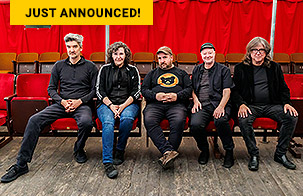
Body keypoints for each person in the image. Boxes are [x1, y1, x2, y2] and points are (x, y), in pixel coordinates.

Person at [1, 33, 98, 183]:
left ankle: (79, 149)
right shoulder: (59, 65)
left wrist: (79, 101)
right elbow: (51, 89)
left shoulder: (90, 66)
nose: (71, 50)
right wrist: (62, 102)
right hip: (61, 104)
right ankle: (21, 164)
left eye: (75, 47)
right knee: (34, 120)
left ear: (81, 48)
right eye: (69, 47)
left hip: (81, 104)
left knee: (86, 122)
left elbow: (94, 90)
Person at [232, 37, 298, 171]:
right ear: (249, 52)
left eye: (261, 50)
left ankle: (280, 154)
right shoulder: (241, 68)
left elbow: (283, 88)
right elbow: (235, 91)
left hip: (271, 105)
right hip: (250, 106)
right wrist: (241, 104)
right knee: (244, 120)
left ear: (266, 52)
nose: (258, 52)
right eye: (254, 50)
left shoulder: (274, 67)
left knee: (291, 117)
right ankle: (254, 154)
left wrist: (287, 103)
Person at [142, 46, 192, 169]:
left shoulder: (181, 73)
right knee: (149, 120)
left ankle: (167, 153)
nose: (162, 60)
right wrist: (155, 96)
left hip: (176, 105)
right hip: (155, 105)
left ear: (171, 58)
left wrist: (177, 96)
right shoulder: (152, 73)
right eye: (159, 58)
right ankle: (168, 151)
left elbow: (189, 89)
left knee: (179, 120)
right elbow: (143, 90)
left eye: (164, 57)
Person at [96, 42, 140, 179]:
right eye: (115, 54)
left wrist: (122, 106)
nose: (118, 56)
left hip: (128, 104)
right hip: (106, 104)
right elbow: (99, 90)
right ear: (111, 55)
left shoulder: (133, 70)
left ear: (126, 55)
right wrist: (111, 105)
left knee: (127, 119)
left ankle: (120, 150)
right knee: (108, 123)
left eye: (121, 53)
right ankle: (108, 162)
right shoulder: (104, 69)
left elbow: (137, 91)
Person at [190, 43, 235, 168]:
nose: (207, 55)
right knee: (195, 125)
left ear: (215, 53)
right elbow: (192, 88)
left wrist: (221, 107)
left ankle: (229, 151)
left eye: (210, 53)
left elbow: (227, 91)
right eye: (205, 53)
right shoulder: (197, 69)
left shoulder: (223, 70)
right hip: (202, 105)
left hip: (219, 103)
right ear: (201, 55)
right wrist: (195, 101)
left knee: (221, 121)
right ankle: (204, 150)